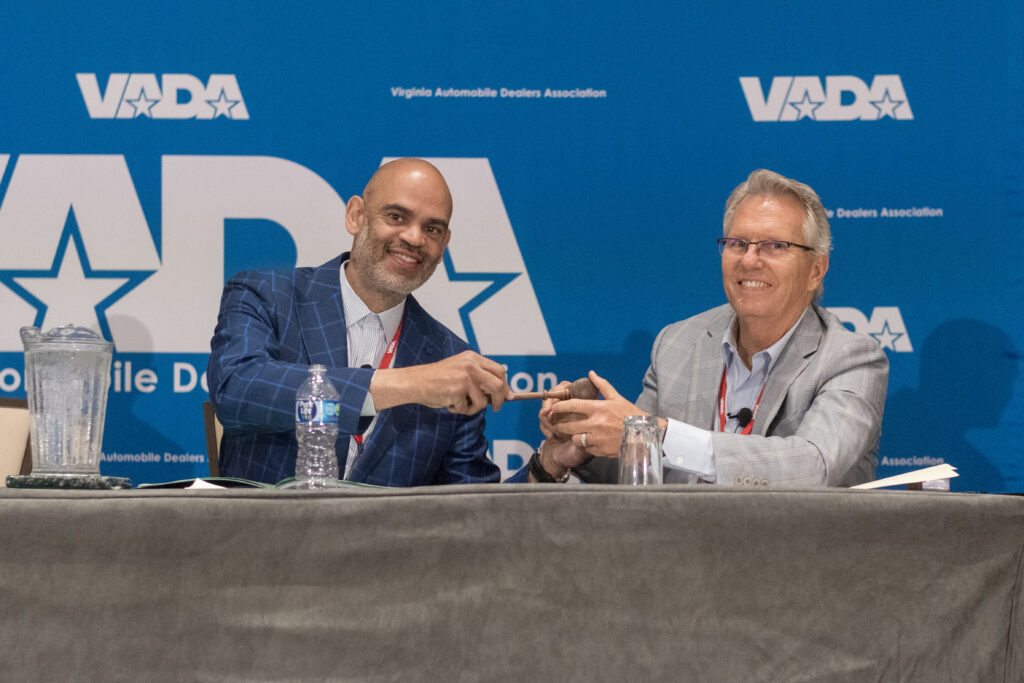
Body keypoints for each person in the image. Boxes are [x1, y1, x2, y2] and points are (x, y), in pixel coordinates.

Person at [527, 169, 888, 486]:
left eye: (775, 246)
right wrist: (581, 443)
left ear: (816, 270)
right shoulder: (677, 344)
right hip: (678, 542)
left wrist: (659, 435)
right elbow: (641, 469)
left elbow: (813, 466)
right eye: (738, 244)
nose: (749, 260)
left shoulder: (850, 358)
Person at [207, 158, 513, 485]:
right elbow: (236, 391)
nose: (414, 237)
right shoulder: (267, 295)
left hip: (384, 523)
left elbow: (472, 503)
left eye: (432, 229)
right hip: (270, 519)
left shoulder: (451, 358)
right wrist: (412, 384)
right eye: (396, 217)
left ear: (444, 245)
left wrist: (543, 467)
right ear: (356, 216)